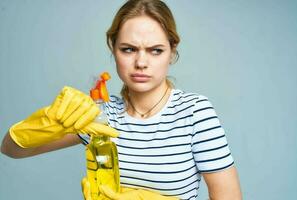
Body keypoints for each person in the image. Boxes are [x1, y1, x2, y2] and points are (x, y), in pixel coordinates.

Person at [1, 0, 242, 199]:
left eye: (155, 50)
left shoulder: (194, 113)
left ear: (172, 51)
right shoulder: (98, 116)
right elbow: (10, 150)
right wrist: (48, 122)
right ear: (113, 48)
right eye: (128, 49)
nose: (141, 62)